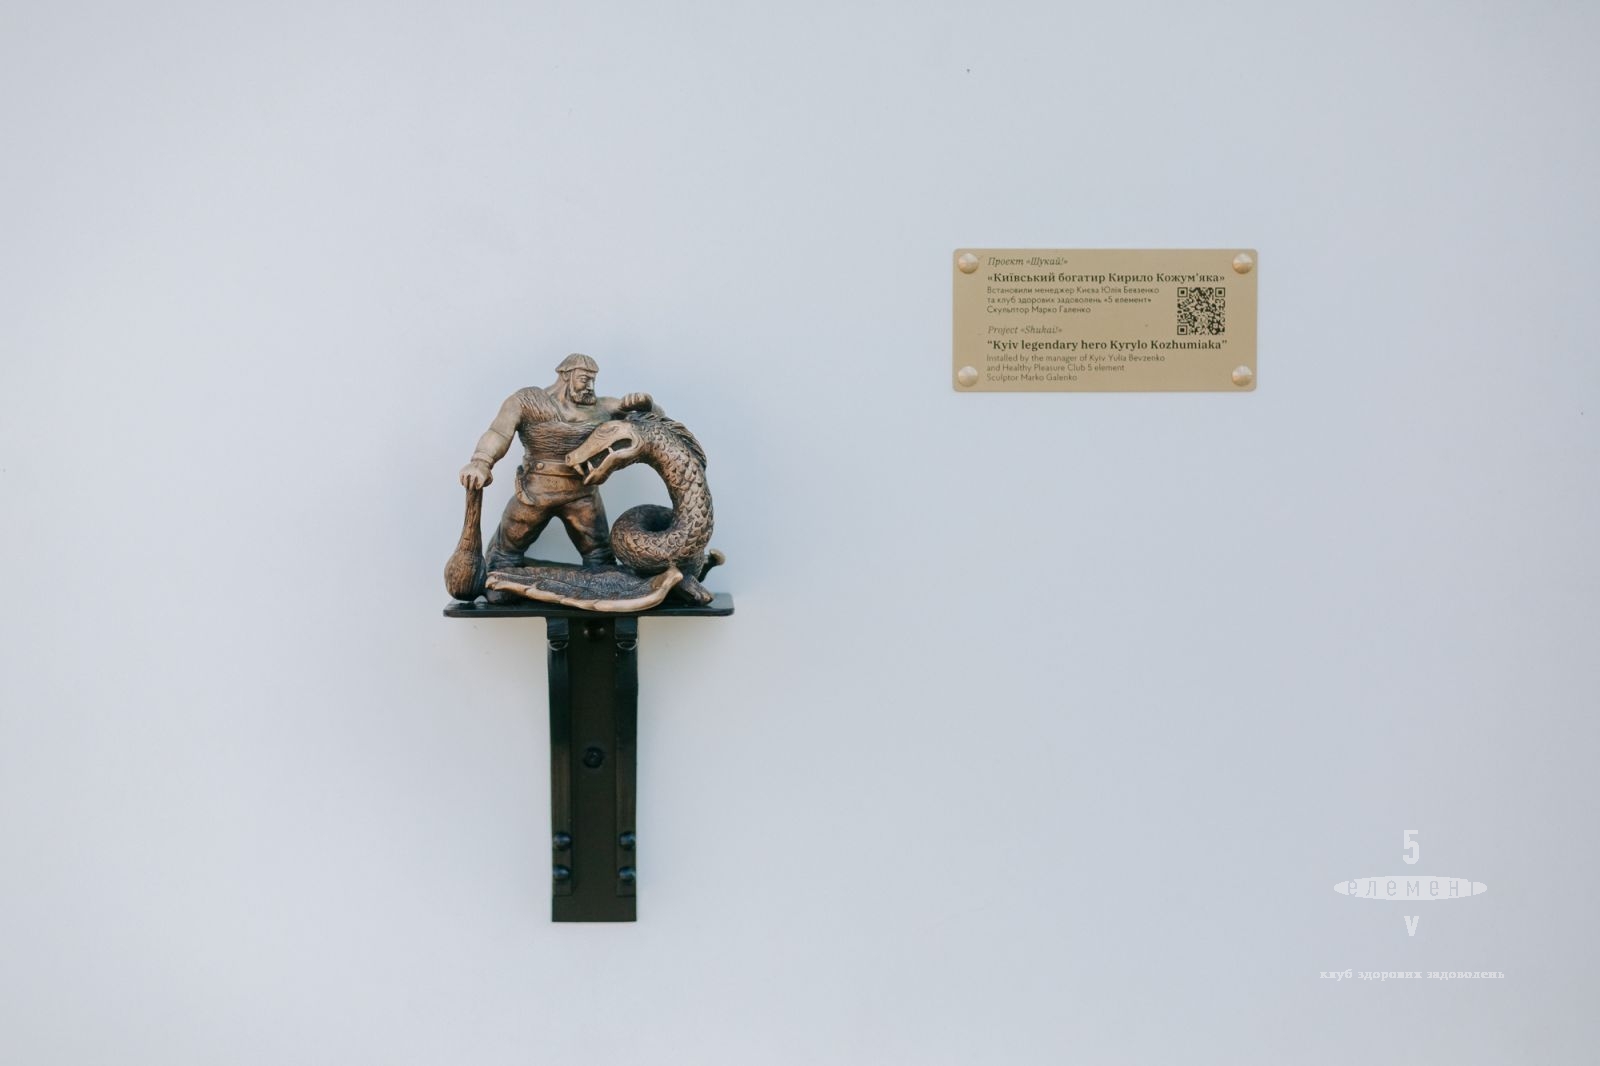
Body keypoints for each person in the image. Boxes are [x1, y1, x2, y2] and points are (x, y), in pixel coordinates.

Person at [458, 354, 658, 579]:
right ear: (565, 375)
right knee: (504, 556)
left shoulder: (605, 407)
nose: (590, 386)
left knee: (601, 560)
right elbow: (498, 433)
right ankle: (501, 584)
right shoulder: (527, 401)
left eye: (593, 380)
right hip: (534, 493)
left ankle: (598, 592)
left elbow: (654, 423)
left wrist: (646, 406)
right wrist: (481, 462)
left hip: (582, 495)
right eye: (584, 379)